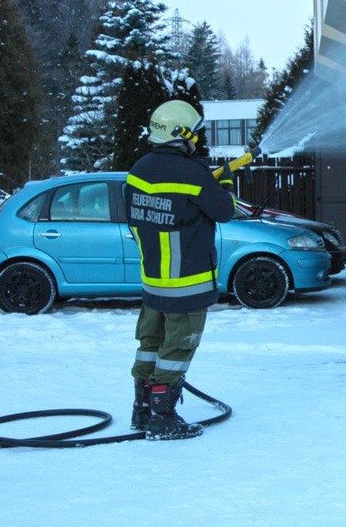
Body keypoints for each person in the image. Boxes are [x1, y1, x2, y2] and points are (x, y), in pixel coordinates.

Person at [125, 100, 235, 440]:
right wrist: (226, 184)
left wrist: (203, 182)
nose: (198, 140)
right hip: (186, 283)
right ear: (181, 134)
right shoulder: (193, 174)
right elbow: (224, 211)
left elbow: (164, 204)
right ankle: (163, 417)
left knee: (150, 343)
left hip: (153, 283)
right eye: (195, 133)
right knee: (177, 349)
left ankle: (142, 409)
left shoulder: (139, 169)